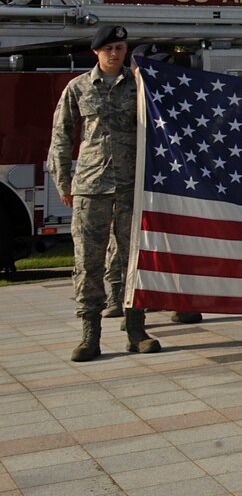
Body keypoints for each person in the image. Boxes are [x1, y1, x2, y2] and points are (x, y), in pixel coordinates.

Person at [48, 25, 160, 360]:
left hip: (131, 187)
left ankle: (136, 331)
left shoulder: (141, 87)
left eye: (121, 48)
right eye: (109, 48)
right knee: (88, 261)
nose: (115, 54)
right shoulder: (78, 87)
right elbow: (61, 136)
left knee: (133, 260)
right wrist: (63, 183)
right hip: (91, 187)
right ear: (96, 52)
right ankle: (90, 335)